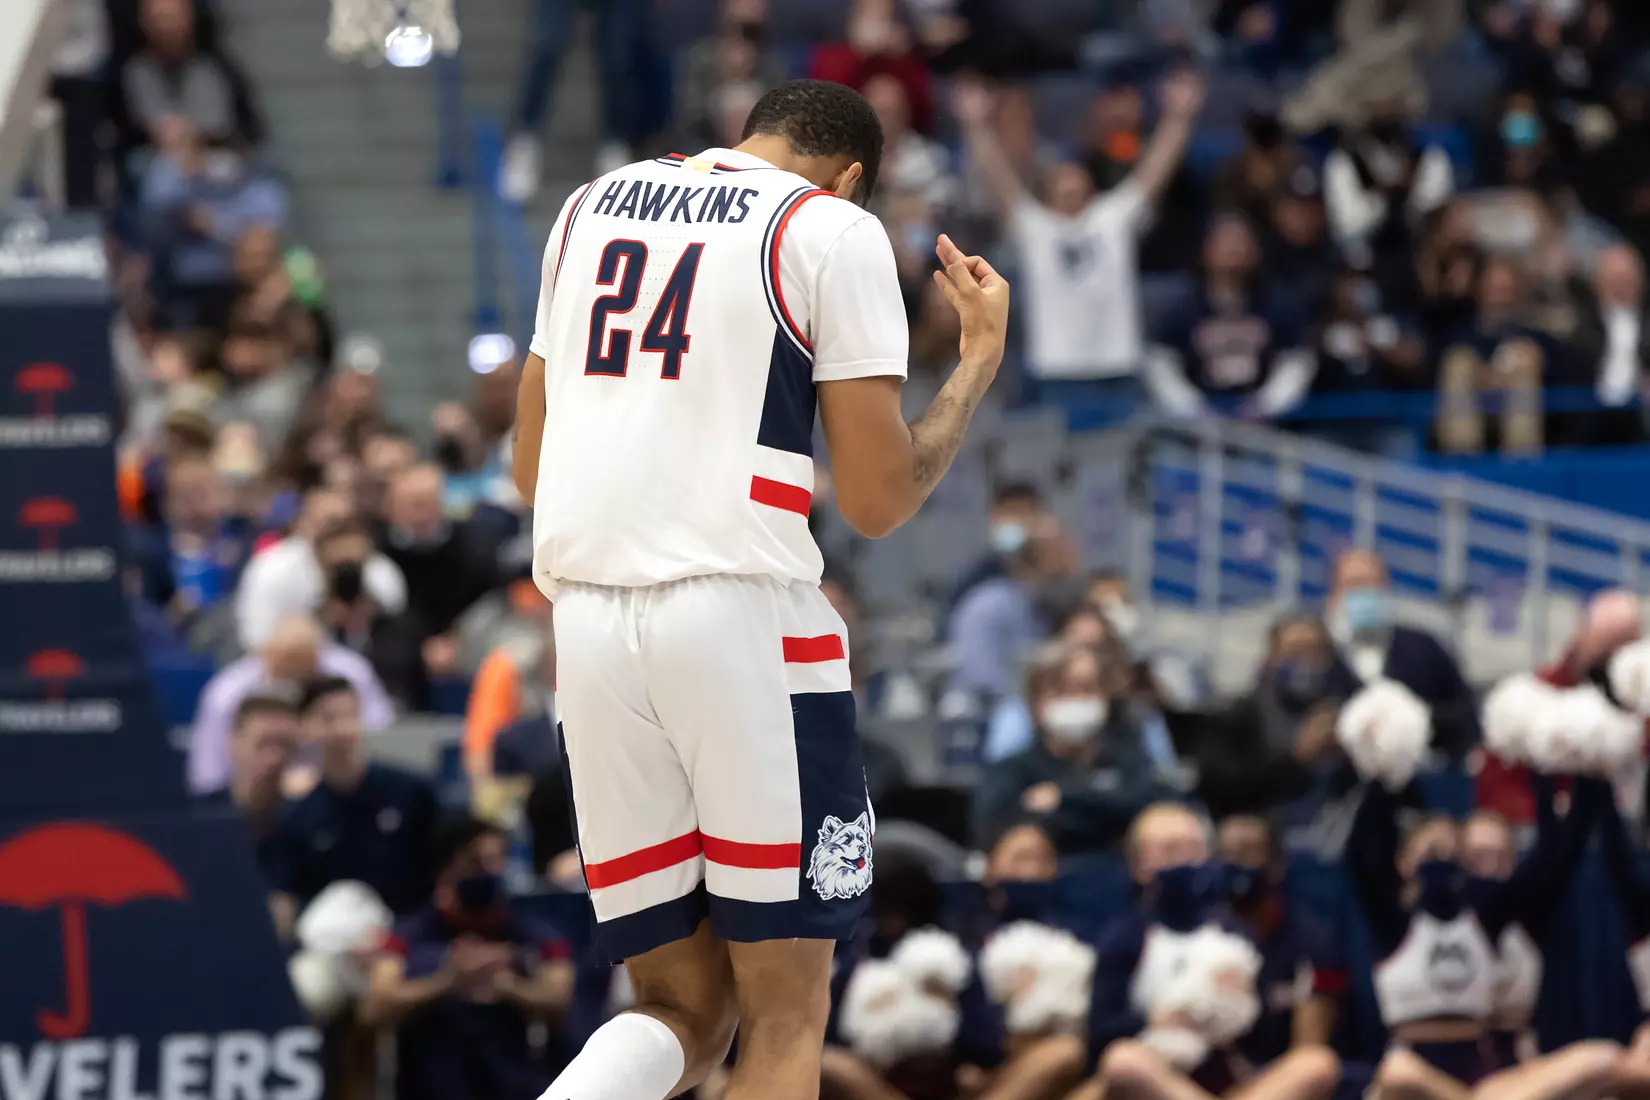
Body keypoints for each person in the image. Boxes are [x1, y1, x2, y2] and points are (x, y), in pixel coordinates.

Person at [513, 78, 1010, 1100]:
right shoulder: (829, 227)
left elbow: (532, 465)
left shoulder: (587, 206)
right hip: (740, 621)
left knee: (679, 1012)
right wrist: (975, 363)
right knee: (786, 1012)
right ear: (854, 176)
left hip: (592, 630)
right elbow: (876, 499)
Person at [1345, 773, 1616, 1097]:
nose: (1443, 861)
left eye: (1453, 854)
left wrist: (1547, 769)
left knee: (1599, 1058)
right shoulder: (1392, 922)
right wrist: (1385, 770)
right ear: (1405, 862)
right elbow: (1362, 857)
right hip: (1412, 1078)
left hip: (1484, 1074)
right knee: (1399, 1074)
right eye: (1433, 852)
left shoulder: (1485, 916)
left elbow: (1553, 859)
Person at [954, 71, 1203, 405]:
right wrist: (976, 125)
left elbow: (1155, 172)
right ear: (1048, 192)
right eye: (1061, 179)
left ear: (1090, 187)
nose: (1070, 185)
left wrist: (1179, 117)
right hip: (1058, 371)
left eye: (1076, 177)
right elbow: (999, 179)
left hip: (1117, 367)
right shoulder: (1035, 227)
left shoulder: (1112, 218)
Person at [1075, 804, 1341, 1100]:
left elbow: (1264, 1038)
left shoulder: (1236, 931)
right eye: (1170, 850)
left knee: (1316, 1064)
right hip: (1156, 1080)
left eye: (1193, 849)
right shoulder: (1123, 937)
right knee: (1124, 1062)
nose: (1184, 861)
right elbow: (1099, 1035)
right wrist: (1156, 1020)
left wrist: (1240, 1005)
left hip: (1233, 1081)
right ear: (1139, 866)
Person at [361, 816, 576, 1100]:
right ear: (447, 867)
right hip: (430, 1085)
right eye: (477, 861)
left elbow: (562, 999)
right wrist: (449, 981)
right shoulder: (407, 937)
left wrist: (507, 985)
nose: (490, 870)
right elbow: (374, 1007)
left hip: (513, 1085)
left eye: (498, 859)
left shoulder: (536, 935)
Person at [263, 677, 440, 940]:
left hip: (411, 935)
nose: (342, 729)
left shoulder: (411, 792)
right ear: (305, 727)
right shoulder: (297, 816)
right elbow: (289, 894)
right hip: (332, 942)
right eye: (329, 719)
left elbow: (437, 876)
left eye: (350, 716)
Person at [973, 644, 1170, 854]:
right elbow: (994, 833)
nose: (1075, 699)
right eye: (1062, 690)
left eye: (1086, 689)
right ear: (1035, 702)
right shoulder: (1010, 771)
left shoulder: (1130, 759)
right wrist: (1105, 812)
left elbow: (1152, 805)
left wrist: (1063, 798)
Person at [188, 614, 395, 794]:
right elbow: (208, 776)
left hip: (338, 794)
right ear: (265, 655)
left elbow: (381, 737)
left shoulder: (351, 675)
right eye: (287, 669)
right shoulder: (227, 693)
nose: (296, 683)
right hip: (255, 801)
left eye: (305, 669)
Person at [1213, 814, 1345, 1064]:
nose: (1232, 863)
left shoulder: (1313, 941)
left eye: (1246, 852)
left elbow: (1308, 1052)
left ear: (1277, 865)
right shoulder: (1204, 936)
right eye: (1224, 854)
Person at [1326, 548, 1480, 758]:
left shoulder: (1422, 647)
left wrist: (1416, 720)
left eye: (1374, 584)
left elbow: (1465, 713)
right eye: (1355, 585)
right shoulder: (1317, 652)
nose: (1365, 594)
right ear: (1334, 592)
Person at [236, 485, 406, 651]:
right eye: (327, 522)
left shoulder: (378, 567)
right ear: (302, 521)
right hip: (291, 663)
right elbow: (256, 637)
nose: (334, 531)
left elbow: (397, 621)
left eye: (343, 523)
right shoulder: (272, 566)